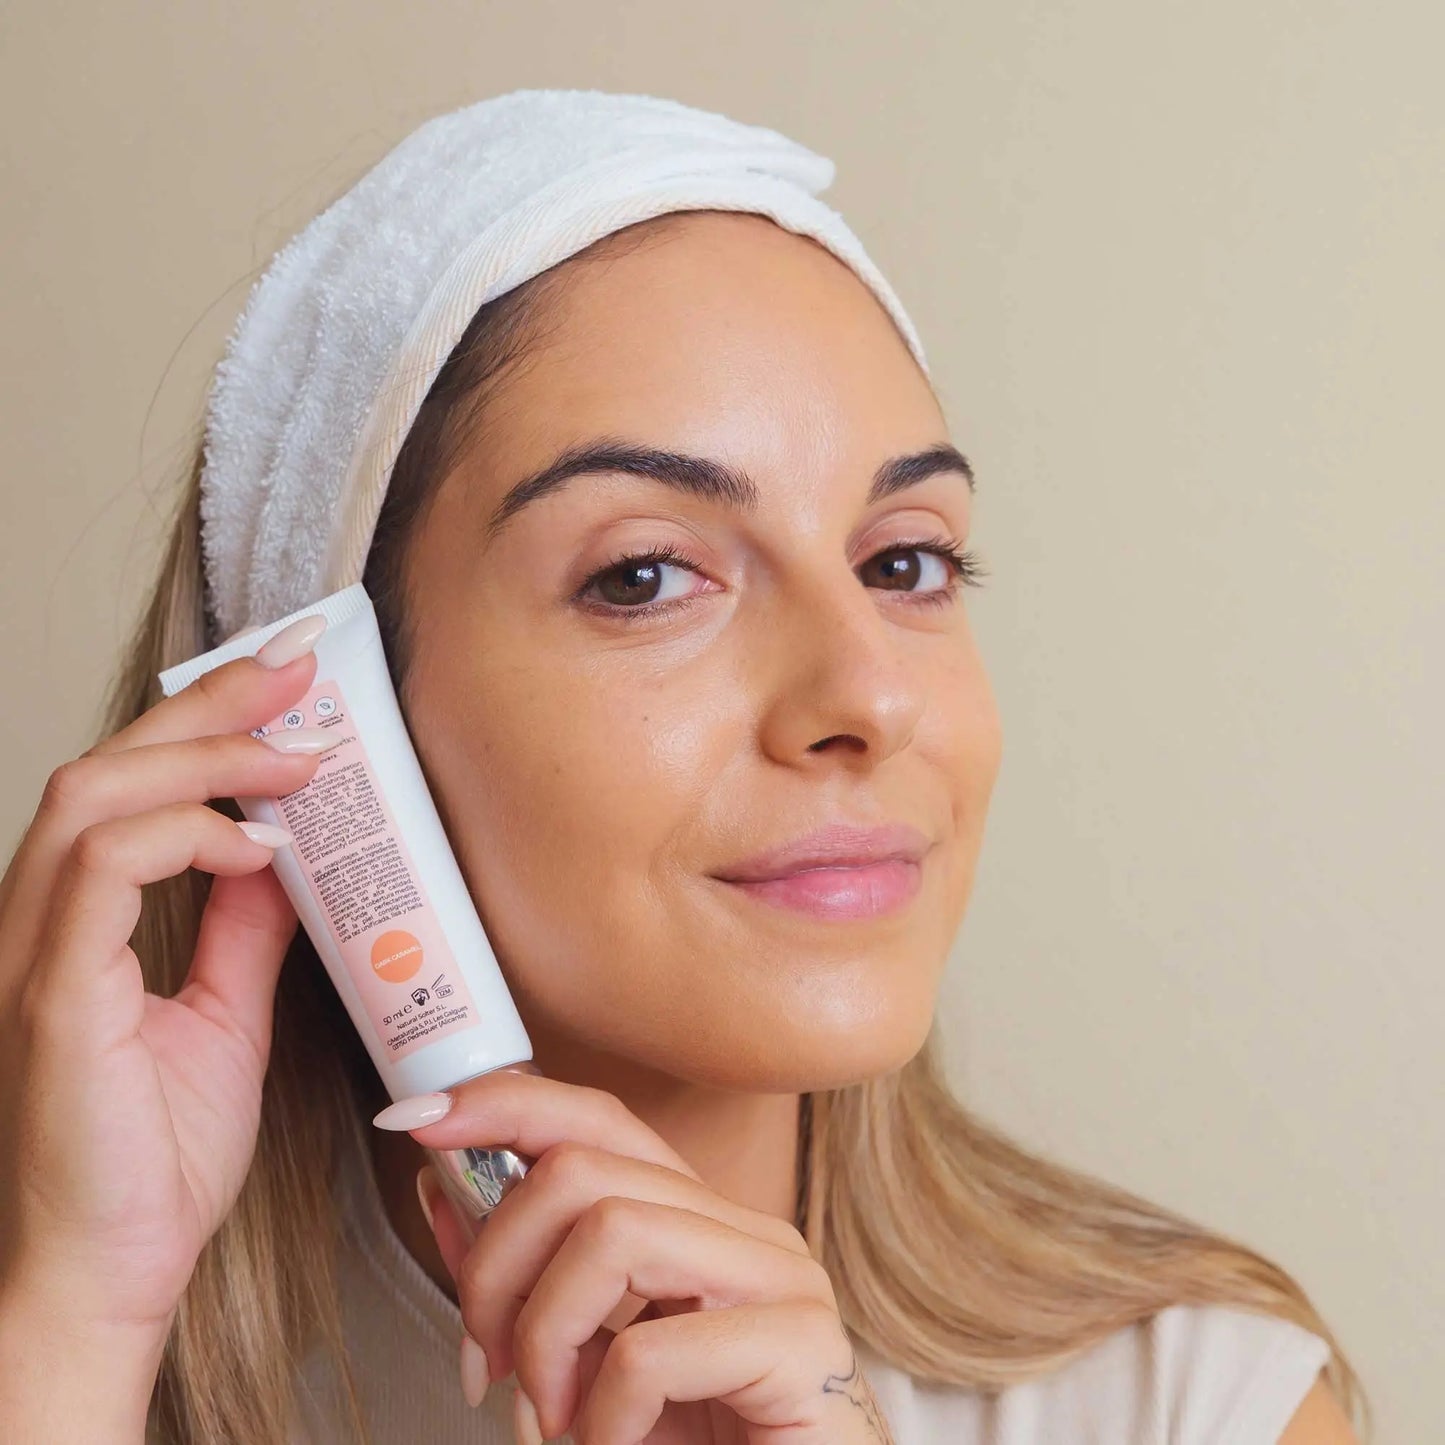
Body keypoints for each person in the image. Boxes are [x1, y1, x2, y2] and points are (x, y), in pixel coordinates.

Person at [0, 91, 1369, 1444]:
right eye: (645, 576)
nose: (870, 696)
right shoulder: (67, 1357)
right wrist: (75, 1326)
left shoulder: (1201, 1411)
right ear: (338, 732)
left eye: (905, 561)